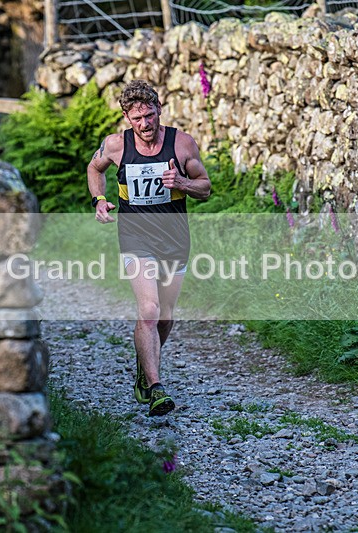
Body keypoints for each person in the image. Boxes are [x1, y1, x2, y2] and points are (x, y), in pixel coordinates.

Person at [87, 80, 211, 416]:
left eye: (150, 115)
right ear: (127, 118)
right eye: (137, 118)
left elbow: (205, 187)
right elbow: (94, 168)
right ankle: (155, 387)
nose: (145, 124)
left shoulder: (181, 144)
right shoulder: (115, 145)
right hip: (135, 236)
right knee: (150, 309)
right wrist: (99, 199)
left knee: (165, 316)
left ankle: (145, 367)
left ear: (159, 110)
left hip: (173, 238)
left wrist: (181, 182)